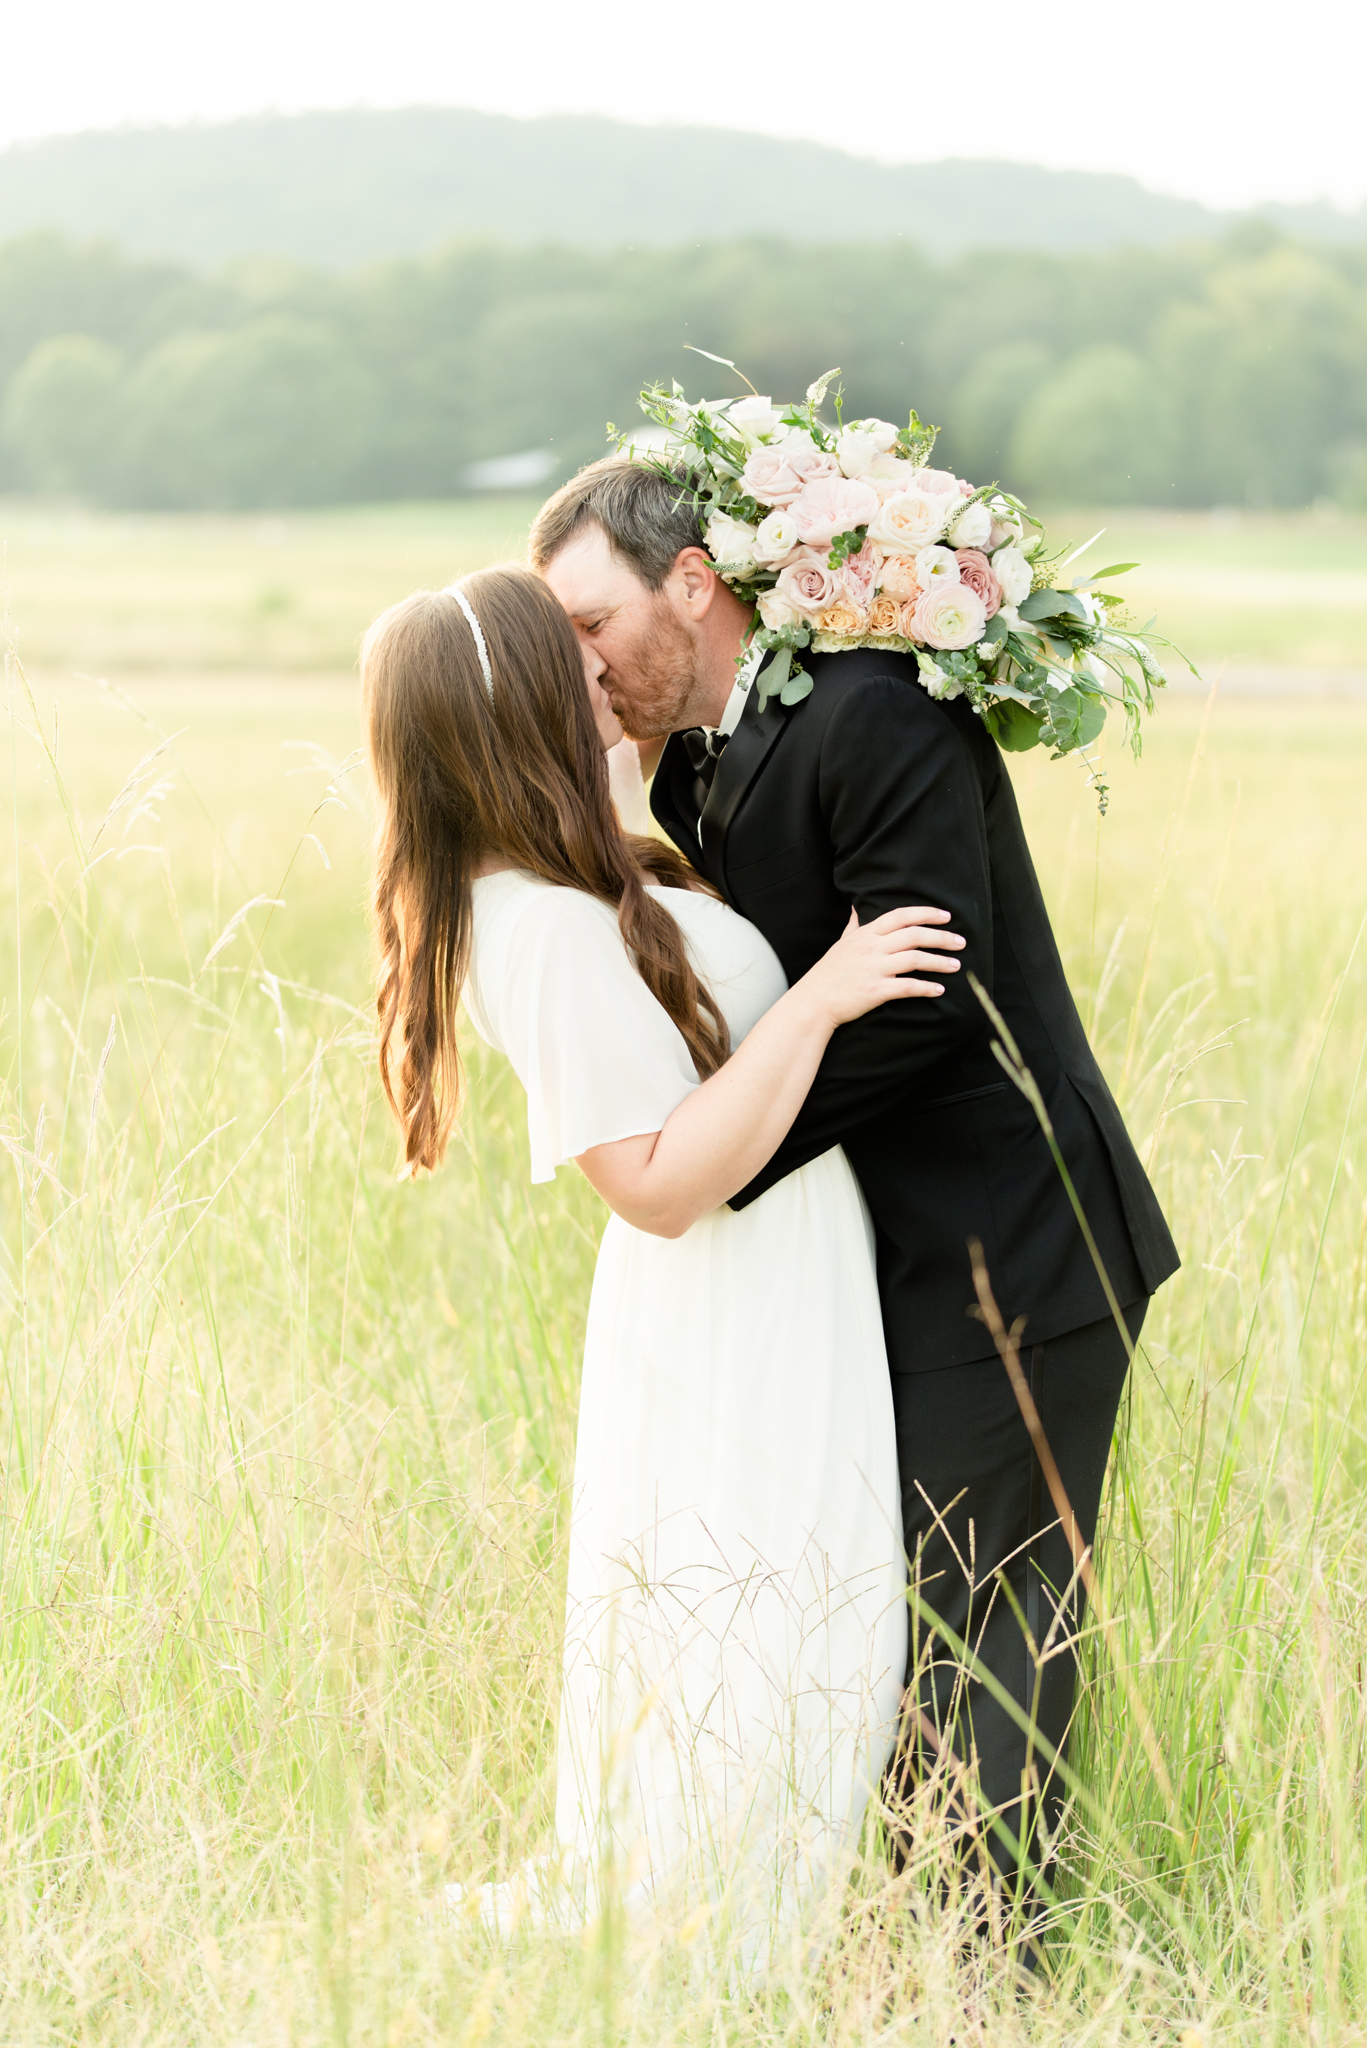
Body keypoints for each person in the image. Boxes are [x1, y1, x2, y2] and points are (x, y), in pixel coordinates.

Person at [530, 458, 1181, 1927]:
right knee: (870, 1630)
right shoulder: (690, 763)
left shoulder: (875, 709)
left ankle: (979, 1987)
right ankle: (872, 1952)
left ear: (691, 579)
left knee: (986, 1639)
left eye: (588, 622)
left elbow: (924, 992)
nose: (573, 661)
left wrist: (708, 1160)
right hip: (870, 1267)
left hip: (1016, 1248)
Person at [360, 566, 967, 1966]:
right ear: (517, 710)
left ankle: (797, 1933)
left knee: (802, 1619)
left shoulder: (590, 876)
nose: (602, 675)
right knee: (775, 1632)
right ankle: (735, 1950)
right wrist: (817, 1001)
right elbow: (653, 1185)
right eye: (569, 664)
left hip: (774, 1286)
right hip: (730, 1305)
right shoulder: (543, 927)